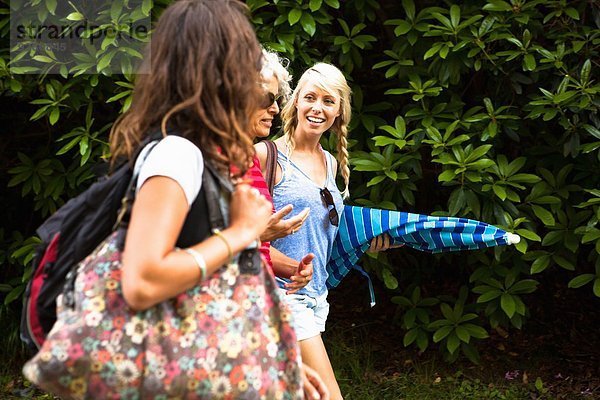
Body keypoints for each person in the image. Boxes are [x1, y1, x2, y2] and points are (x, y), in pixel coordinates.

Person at [110, 1, 304, 398]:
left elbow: (217, 278)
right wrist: (240, 233)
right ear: (216, 70)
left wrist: (274, 358)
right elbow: (143, 281)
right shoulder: (177, 154)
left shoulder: (208, 155)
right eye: (242, 52)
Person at [245, 49, 330, 400]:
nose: (275, 109)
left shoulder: (332, 163)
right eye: (268, 98)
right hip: (261, 306)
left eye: (328, 100)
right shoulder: (254, 155)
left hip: (287, 298)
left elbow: (256, 245)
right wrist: (255, 234)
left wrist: (294, 265)